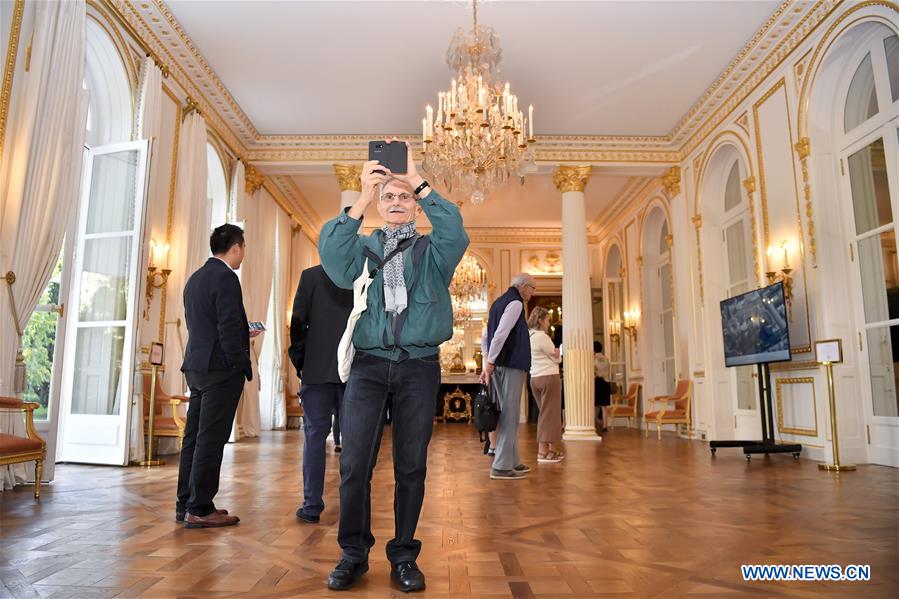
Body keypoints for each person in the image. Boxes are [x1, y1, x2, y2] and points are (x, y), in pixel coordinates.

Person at [318, 140, 468, 592]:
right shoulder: (362, 251)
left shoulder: (434, 253)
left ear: (416, 206)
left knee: (411, 465)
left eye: (405, 197)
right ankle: (353, 553)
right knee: (355, 463)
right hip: (367, 366)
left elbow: (456, 229)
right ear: (380, 206)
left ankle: (404, 554)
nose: (397, 203)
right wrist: (362, 195)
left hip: (419, 366)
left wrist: (418, 179)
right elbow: (331, 256)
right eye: (390, 197)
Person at [176, 224, 258, 529]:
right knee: (211, 440)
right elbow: (225, 325)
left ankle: (185, 503)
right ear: (236, 247)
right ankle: (199, 508)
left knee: (193, 438)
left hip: (195, 366)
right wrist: (238, 362)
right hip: (219, 370)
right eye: (243, 249)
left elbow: (202, 324)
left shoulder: (194, 278)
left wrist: (240, 333)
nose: (243, 256)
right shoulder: (226, 277)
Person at [288, 265, 353, 524]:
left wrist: (302, 362)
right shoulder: (362, 273)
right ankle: (352, 506)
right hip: (353, 371)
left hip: (316, 371)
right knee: (355, 443)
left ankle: (311, 505)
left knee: (314, 438)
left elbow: (297, 323)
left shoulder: (310, 276)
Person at [481, 273, 536, 481]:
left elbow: (487, 336)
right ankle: (502, 466)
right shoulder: (515, 303)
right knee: (511, 414)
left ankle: (512, 460)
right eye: (532, 287)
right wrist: (490, 363)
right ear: (522, 286)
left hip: (500, 364)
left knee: (508, 413)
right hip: (510, 365)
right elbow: (501, 334)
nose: (532, 292)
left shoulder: (498, 303)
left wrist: (489, 361)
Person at [527, 307, 563, 463]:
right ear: (541, 321)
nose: (549, 323)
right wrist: (558, 355)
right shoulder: (543, 337)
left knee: (545, 414)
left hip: (534, 377)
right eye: (547, 320)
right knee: (552, 415)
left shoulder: (528, 336)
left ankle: (547, 451)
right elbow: (557, 358)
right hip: (549, 377)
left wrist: (555, 354)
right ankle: (546, 452)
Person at [594, 341, 612, 431]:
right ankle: (605, 426)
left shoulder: (594, 360)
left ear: (594, 350)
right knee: (604, 407)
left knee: (595, 406)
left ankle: (593, 425)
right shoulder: (606, 359)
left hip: (598, 382)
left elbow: (594, 372)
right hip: (606, 382)